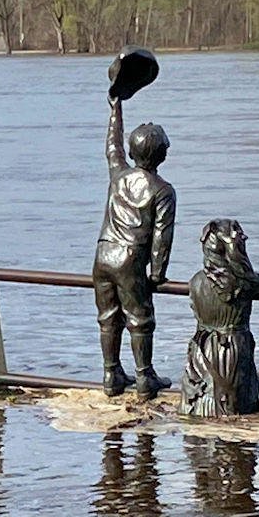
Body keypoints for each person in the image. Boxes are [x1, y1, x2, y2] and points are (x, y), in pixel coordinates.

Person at [92, 96, 175, 400]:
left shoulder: (118, 174)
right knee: (140, 318)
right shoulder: (163, 190)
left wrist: (116, 108)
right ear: (162, 154)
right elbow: (161, 238)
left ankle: (111, 373)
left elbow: (111, 145)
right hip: (129, 257)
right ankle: (144, 377)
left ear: (132, 151)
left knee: (108, 316)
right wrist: (157, 274)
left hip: (103, 254)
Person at [178, 219, 259, 417]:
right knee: (233, 406)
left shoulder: (196, 280)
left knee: (203, 403)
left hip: (201, 348)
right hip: (230, 351)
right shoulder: (241, 283)